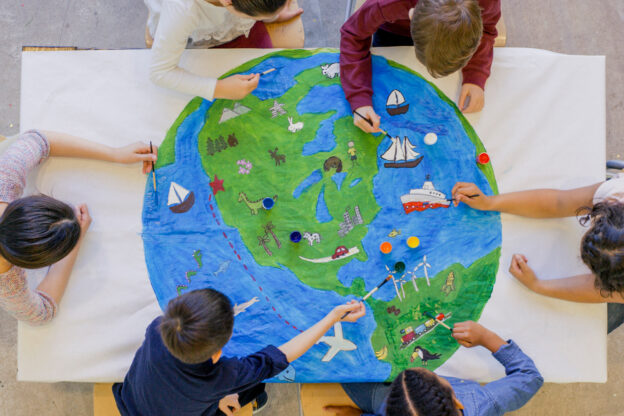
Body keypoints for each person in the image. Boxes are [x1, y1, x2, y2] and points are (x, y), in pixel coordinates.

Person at [113, 288, 365, 416]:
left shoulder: (158, 327)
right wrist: (332, 318)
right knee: (254, 386)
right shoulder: (225, 376)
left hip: (133, 402)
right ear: (215, 356)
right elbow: (280, 356)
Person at [0, 130, 157, 324]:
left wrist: (115, 154)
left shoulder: (5, 179)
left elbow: (39, 141)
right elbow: (41, 313)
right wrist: (74, 245)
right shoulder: (8, 285)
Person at [452, 180, 624, 306]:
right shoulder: (618, 193)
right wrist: (490, 202)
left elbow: (600, 291)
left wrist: (540, 286)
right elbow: (558, 202)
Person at [340, 0, 500, 134]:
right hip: (392, 30)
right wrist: (359, 98)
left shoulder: (487, 3)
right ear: (411, 14)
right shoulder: (390, 4)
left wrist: (476, 75)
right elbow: (353, 34)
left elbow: (487, 29)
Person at [325, 321, 543, 416]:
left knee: (344, 368)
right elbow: (530, 377)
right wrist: (487, 337)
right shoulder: (485, 402)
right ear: (457, 401)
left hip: (372, 395)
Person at [144, 0, 303, 101]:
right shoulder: (182, 10)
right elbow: (160, 72)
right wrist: (217, 88)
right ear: (228, 2)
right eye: (253, 16)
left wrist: (271, 13)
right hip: (193, 38)